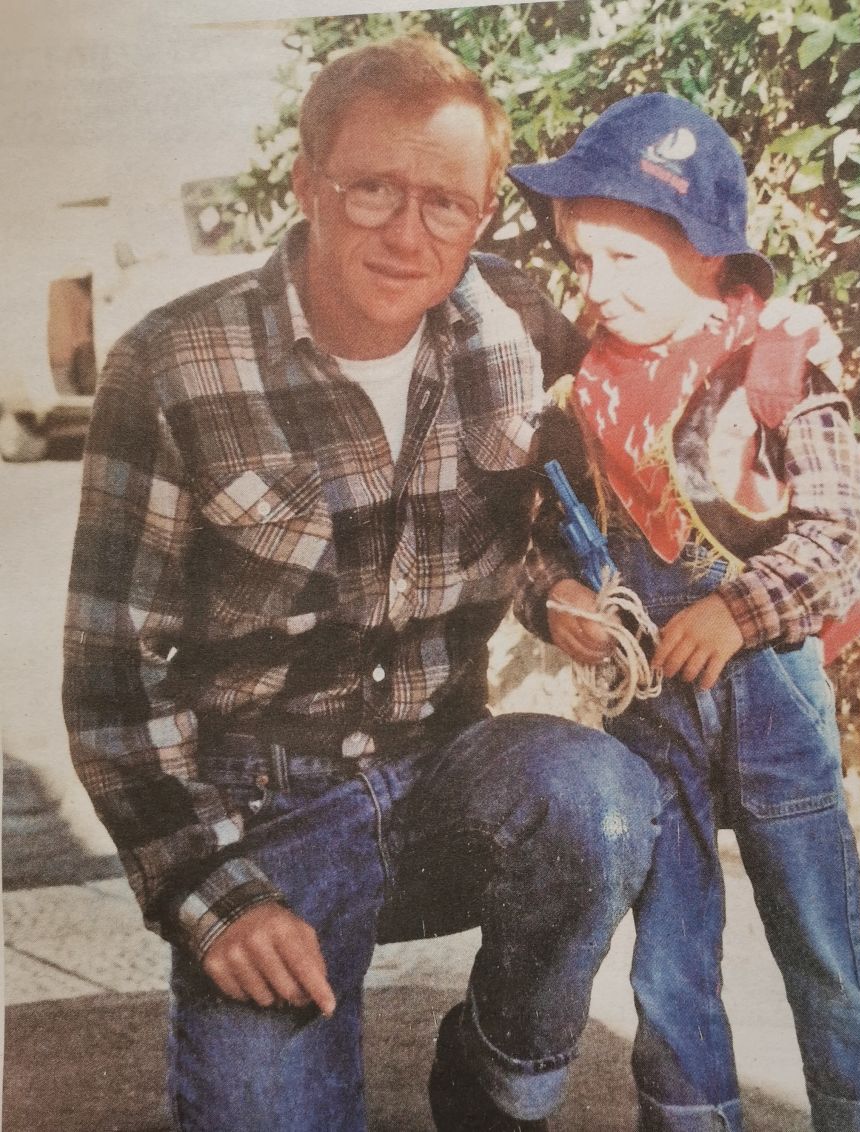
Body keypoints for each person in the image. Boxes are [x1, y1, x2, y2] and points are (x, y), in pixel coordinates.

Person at [62, 36, 664, 1132]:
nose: (408, 232)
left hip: (445, 776)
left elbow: (591, 485)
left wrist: (767, 341)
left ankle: (492, 1081)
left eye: (446, 201)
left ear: (482, 214)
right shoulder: (171, 368)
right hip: (261, 815)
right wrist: (215, 897)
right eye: (373, 189)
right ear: (306, 186)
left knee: (603, 799)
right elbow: (114, 685)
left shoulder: (522, 326)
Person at [509, 94, 860, 1131]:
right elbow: (539, 546)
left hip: (771, 706)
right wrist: (556, 599)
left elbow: (837, 542)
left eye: (624, 262)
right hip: (652, 718)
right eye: (581, 262)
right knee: (670, 955)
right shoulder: (584, 393)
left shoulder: (774, 369)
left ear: (704, 256)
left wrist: (737, 611)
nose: (595, 291)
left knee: (823, 946)